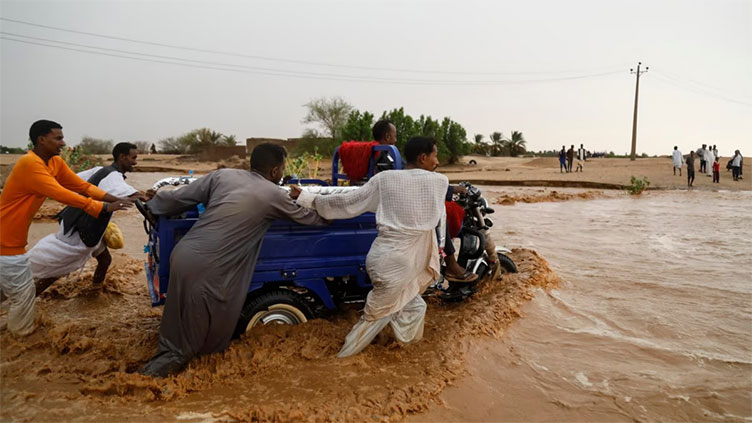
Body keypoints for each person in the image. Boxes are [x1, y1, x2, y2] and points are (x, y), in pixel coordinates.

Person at [140, 143, 326, 377]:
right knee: (205, 324)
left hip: (184, 253)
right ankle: (156, 377)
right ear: (275, 172)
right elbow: (310, 219)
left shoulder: (223, 175)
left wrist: (153, 202)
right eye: (282, 168)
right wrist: (336, 211)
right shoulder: (273, 194)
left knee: (178, 318)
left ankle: (167, 360)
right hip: (208, 265)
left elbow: (179, 197)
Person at [290, 136, 449, 357]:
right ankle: (342, 359)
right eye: (435, 155)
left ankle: (406, 349)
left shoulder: (384, 179)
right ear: (423, 157)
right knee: (374, 316)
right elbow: (438, 212)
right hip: (399, 266)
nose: (437, 161)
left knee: (415, 307)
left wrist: (308, 198)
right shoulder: (439, 182)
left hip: (382, 258)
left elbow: (348, 201)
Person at [0, 120, 132, 337]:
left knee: (11, 290)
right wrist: (104, 207)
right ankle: (20, 338)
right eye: (58, 138)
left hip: (13, 242)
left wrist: (114, 198)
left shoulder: (54, 162)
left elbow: (83, 186)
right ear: (42, 139)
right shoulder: (30, 165)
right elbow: (61, 194)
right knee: (22, 294)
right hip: (5, 242)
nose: (63, 142)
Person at [29, 142, 154, 293]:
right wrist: (147, 199)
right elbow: (131, 195)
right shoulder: (113, 176)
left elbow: (73, 182)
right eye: (133, 158)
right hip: (80, 230)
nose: (135, 162)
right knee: (59, 269)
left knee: (105, 259)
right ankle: (29, 297)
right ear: (122, 157)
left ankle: (94, 293)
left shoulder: (101, 170)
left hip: (76, 221)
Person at [371, 120, 477, 283]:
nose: (396, 139)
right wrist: (450, 190)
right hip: (401, 204)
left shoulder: (374, 153)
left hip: (391, 201)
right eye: (395, 135)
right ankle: (451, 264)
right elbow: (413, 180)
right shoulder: (387, 156)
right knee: (439, 212)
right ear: (387, 136)